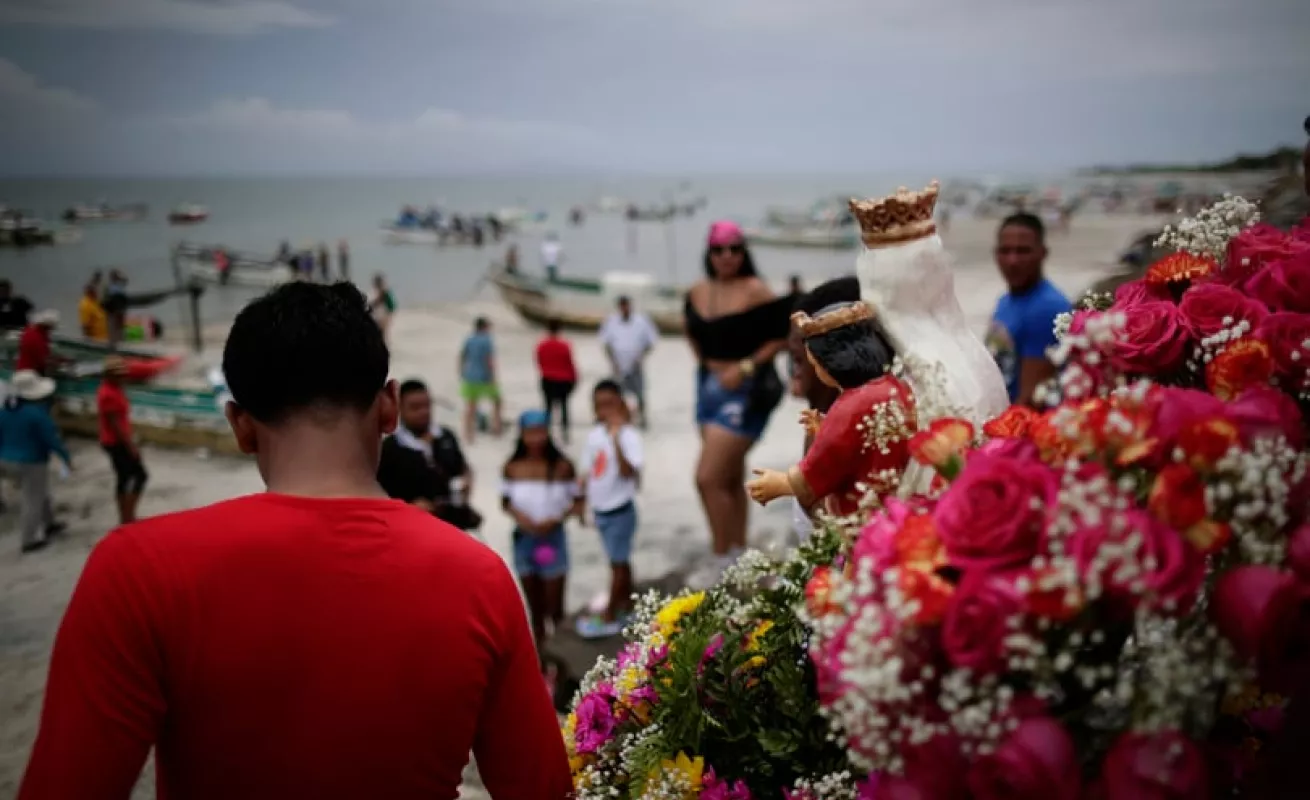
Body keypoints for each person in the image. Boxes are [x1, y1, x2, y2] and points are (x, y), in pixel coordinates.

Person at [18, 282, 571, 799]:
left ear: (240, 425)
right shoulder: (477, 576)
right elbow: (542, 786)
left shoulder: (137, 570)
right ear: (388, 407)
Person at [683, 220, 792, 588]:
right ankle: (738, 551)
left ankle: (721, 558)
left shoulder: (755, 290)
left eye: (734, 248)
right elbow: (690, 327)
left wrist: (744, 366)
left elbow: (781, 336)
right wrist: (705, 361)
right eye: (718, 249)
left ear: (744, 252)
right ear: (708, 253)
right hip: (707, 386)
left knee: (706, 478)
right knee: (727, 476)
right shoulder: (698, 291)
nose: (726, 256)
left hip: (744, 391)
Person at [501, 409, 582, 656]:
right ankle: (542, 661)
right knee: (535, 610)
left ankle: (560, 660)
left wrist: (557, 519)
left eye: (540, 432)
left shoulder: (562, 466)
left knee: (555, 607)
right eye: (530, 433)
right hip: (525, 540)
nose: (535, 438)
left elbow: (577, 500)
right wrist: (522, 518)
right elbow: (505, 502)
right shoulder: (512, 467)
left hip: (551, 540)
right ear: (522, 435)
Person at [786, 276, 859, 542]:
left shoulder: (840, 433)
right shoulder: (819, 421)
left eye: (797, 357)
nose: (792, 369)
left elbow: (833, 538)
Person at [575, 380, 643, 639]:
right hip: (601, 509)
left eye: (609, 404)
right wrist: (580, 502)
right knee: (620, 560)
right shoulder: (594, 436)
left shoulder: (629, 436)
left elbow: (629, 472)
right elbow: (587, 472)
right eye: (599, 404)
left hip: (620, 509)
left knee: (617, 564)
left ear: (621, 404)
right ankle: (627, 603)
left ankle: (610, 614)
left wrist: (616, 440)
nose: (604, 409)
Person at [984, 212, 1073, 406]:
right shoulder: (1005, 301)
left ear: (1043, 253)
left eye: (1023, 251)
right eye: (1005, 251)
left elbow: (1030, 399)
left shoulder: (1047, 308)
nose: (1012, 261)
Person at [378, 379, 482, 532]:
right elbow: (380, 492)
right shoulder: (390, 448)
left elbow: (462, 468)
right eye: (415, 407)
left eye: (427, 406)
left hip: (452, 523)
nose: (424, 412)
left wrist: (466, 484)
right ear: (399, 409)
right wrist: (409, 505)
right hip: (412, 527)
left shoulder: (446, 436)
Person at [0, 370, 72, 554]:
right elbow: (52, 440)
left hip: (5, 460)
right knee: (32, 499)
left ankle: (49, 523)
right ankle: (29, 540)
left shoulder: (5, 411)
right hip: (31, 461)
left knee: (40, 492)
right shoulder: (38, 415)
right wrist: (66, 458)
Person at [97, 356, 148, 524]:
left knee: (125, 477)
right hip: (116, 442)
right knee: (138, 476)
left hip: (115, 440)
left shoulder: (112, 388)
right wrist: (131, 446)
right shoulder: (108, 394)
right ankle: (128, 515)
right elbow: (116, 425)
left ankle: (126, 515)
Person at [599, 295, 658, 429]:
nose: (625, 308)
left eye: (626, 305)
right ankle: (620, 418)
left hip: (635, 365)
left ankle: (642, 418)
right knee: (618, 394)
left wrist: (641, 358)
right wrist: (613, 361)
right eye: (622, 306)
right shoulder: (611, 321)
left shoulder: (641, 321)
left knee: (639, 393)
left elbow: (651, 342)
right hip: (618, 365)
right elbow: (606, 343)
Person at [535, 319, 578, 444]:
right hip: (563, 380)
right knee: (564, 406)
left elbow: (539, 361)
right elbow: (570, 363)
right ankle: (565, 433)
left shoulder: (541, 345)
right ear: (560, 330)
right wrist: (574, 378)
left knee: (548, 407)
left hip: (548, 378)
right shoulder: (564, 345)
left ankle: (546, 433)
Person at [460, 316, 502, 442]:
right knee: (497, 402)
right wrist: (492, 376)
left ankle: (468, 434)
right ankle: (496, 429)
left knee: (471, 407)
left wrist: (462, 372)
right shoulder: (487, 340)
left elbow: (463, 356)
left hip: (470, 376)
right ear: (484, 327)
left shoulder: (469, 339)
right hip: (484, 376)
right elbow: (488, 359)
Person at [16, 310, 65, 377]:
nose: (50, 331)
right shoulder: (38, 338)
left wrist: (56, 358)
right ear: (47, 327)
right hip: (30, 374)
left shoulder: (29, 331)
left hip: (21, 370)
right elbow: (42, 361)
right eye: (50, 329)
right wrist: (58, 362)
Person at [103, 270, 130, 348]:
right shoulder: (109, 286)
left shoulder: (120, 284)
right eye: (114, 276)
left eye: (115, 276)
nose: (114, 278)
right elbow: (106, 298)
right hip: (113, 308)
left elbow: (126, 280)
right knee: (112, 326)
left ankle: (120, 341)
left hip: (120, 308)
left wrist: (119, 276)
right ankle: (112, 342)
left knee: (120, 325)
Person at [368, 273, 396, 342]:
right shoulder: (384, 291)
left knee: (381, 333)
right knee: (382, 333)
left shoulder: (383, 291)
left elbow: (377, 302)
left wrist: (370, 307)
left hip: (385, 315)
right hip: (387, 314)